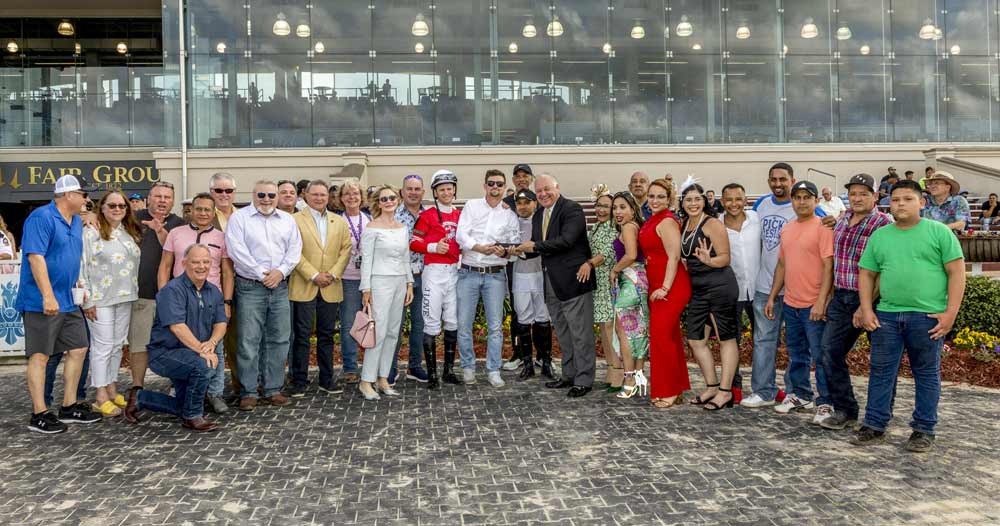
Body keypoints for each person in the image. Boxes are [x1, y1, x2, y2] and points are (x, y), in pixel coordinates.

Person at [853, 179, 966, 452]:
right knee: (881, 372)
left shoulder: (939, 233)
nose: (900, 204)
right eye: (895, 200)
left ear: (921, 203)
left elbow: (956, 273)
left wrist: (950, 314)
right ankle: (875, 423)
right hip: (888, 316)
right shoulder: (881, 235)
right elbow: (867, 274)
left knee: (926, 374)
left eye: (907, 199)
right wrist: (867, 309)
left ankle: (923, 429)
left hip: (927, 317)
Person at [19, 174, 103, 434]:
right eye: (83, 194)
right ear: (68, 195)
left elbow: (70, 257)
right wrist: (47, 295)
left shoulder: (76, 221)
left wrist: (77, 283)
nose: (86, 199)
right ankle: (39, 413)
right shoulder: (41, 218)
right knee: (40, 356)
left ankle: (68, 407)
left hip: (68, 299)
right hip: (40, 300)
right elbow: (35, 258)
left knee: (79, 348)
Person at [744, 163, 826, 408]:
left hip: (799, 291)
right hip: (766, 285)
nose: (777, 183)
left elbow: (826, 249)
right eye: (773, 179)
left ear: (792, 179)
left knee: (802, 346)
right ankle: (764, 391)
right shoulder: (761, 205)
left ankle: (800, 392)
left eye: (783, 179)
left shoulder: (816, 215)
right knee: (764, 340)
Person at [123, 244, 227, 432]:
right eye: (196, 262)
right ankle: (193, 417)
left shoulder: (213, 291)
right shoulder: (172, 290)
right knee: (205, 365)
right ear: (184, 263)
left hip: (191, 354)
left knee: (182, 405)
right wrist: (202, 350)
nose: (201, 266)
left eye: (206, 262)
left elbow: (221, 323)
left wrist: (211, 343)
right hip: (165, 354)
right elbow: (177, 327)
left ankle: (141, 398)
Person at [817, 174, 893, 431]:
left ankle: (879, 416)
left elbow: (883, 269)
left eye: (863, 193)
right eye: (853, 193)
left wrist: (866, 305)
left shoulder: (884, 224)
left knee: (882, 361)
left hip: (874, 299)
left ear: (875, 196)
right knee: (829, 351)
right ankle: (846, 410)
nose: (857, 198)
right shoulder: (842, 219)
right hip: (842, 297)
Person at [517, 174, 596, 398]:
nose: (543, 194)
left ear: (557, 188)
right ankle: (568, 374)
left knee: (580, 333)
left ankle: (584, 379)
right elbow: (536, 247)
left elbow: (567, 240)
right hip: (550, 281)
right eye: (539, 190)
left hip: (574, 280)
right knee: (562, 331)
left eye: (547, 189)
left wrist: (534, 246)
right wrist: (515, 250)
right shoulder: (539, 214)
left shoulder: (572, 209)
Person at [226, 180, 302, 411]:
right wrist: (261, 274)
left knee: (279, 339)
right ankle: (249, 391)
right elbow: (236, 250)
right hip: (250, 286)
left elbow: (294, 249)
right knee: (249, 340)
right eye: (261, 194)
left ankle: (272, 389)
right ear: (253, 194)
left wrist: (279, 272)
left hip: (279, 286)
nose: (266, 199)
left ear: (277, 196)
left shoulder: (287, 220)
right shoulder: (239, 218)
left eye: (271, 195)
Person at [158, 193, 234, 414]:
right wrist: (164, 297)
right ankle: (183, 388)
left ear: (213, 213)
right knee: (183, 345)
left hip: (213, 299)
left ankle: (215, 392)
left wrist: (227, 301)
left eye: (207, 210)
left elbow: (227, 272)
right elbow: (165, 266)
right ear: (191, 210)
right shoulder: (176, 233)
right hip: (181, 299)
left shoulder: (222, 237)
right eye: (198, 209)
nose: (202, 213)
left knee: (215, 346)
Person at [764, 180, 834, 420]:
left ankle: (826, 402)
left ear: (816, 201)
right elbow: (782, 264)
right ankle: (802, 394)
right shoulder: (788, 228)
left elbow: (828, 267)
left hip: (813, 305)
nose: (802, 202)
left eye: (807, 197)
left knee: (821, 356)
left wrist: (821, 301)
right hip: (791, 303)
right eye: (797, 197)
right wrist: (773, 296)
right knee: (797, 354)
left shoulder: (823, 227)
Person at [677, 183, 741, 411]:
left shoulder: (712, 224)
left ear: (704, 201)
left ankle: (725, 392)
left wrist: (708, 260)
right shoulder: (684, 224)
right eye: (688, 200)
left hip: (719, 286)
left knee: (726, 338)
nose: (693, 204)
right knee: (696, 340)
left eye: (697, 199)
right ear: (682, 203)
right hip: (698, 290)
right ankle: (712, 386)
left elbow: (725, 258)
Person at [79, 191, 142, 417]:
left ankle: (112, 387)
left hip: (125, 297)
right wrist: (87, 300)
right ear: (102, 208)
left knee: (117, 345)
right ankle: (100, 395)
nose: (117, 209)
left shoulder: (128, 232)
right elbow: (81, 265)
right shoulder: (91, 231)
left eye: (122, 206)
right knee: (102, 347)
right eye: (112, 205)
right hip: (100, 299)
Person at [456, 169, 520, 387]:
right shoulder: (471, 206)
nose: (495, 187)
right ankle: (467, 367)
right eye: (491, 183)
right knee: (464, 324)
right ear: (485, 186)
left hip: (495, 276)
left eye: (499, 184)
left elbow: (515, 241)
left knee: (494, 326)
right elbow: (461, 235)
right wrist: (479, 247)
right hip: (468, 272)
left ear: (504, 187)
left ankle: (493, 369)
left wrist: (505, 251)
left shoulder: (509, 214)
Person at [288, 180, 352, 397]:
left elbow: (346, 249)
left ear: (329, 197)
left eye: (323, 195)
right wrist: (314, 275)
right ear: (305, 196)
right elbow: (293, 251)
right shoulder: (294, 220)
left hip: (331, 285)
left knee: (326, 335)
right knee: (302, 335)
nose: (319, 198)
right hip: (304, 283)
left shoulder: (339, 221)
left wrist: (332, 274)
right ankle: (299, 381)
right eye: (314, 194)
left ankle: (327, 379)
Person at [638, 178, 692, 407]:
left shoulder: (667, 221)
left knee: (661, 338)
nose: (655, 200)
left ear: (669, 199)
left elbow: (674, 256)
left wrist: (665, 288)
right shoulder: (652, 219)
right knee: (669, 338)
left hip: (671, 286)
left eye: (661, 196)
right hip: (656, 285)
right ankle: (677, 387)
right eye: (652, 196)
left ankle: (669, 390)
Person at [358, 185, 414, 400]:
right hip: (379, 282)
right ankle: (366, 381)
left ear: (397, 200)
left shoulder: (402, 227)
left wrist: (409, 283)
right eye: (384, 199)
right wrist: (366, 288)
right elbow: (367, 260)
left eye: (392, 197)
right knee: (378, 332)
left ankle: (383, 378)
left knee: (392, 332)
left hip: (400, 281)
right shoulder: (372, 228)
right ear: (378, 203)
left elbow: (405, 258)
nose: (389, 201)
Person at [130, 181, 185, 391]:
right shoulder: (132, 218)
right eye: (158, 196)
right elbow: (105, 219)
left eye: (167, 197)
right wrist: (88, 216)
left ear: (172, 201)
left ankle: (175, 386)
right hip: (141, 296)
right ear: (148, 198)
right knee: (139, 345)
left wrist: (160, 230)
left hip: (171, 298)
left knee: (173, 343)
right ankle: (137, 389)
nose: (162, 200)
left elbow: (177, 252)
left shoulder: (179, 224)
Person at [410, 170, 463, 388]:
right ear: (435, 192)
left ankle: (448, 371)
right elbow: (413, 242)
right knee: (431, 323)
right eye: (442, 189)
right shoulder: (428, 215)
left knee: (452, 321)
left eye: (449, 188)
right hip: (434, 273)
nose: (446, 192)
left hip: (455, 272)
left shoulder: (460, 215)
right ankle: (432, 375)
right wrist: (433, 247)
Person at [608, 191, 652, 401]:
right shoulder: (635, 226)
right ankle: (639, 375)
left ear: (633, 209)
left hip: (630, 280)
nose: (617, 211)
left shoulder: (627, 227)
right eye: (615, 207)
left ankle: (629, 379)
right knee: (638, 330)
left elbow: (631, 255)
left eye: (622, 207)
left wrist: (615, 270)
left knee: (624, 331)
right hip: (639, 280)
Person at [581, 187, 624, 392]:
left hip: (609, 281)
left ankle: (618, 371)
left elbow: (606, 253)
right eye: (599, 205)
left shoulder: (614, 228)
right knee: (603, 328)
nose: (601, 210)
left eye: (606, 206)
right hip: (595, 283)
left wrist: (589, 264)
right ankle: (609, 368)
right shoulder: (596, 227)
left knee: (610, 327)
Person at [509, 189, 553, 380]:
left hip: (540, 274)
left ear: (535, 203)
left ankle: (546, 361)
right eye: (519, 203)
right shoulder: (511, 222)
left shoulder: (543, 221)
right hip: (520, 275)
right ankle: (527, 364)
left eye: (527, 202)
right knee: (523, 319)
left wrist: (523, 250)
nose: (523, 206)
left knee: (543, 318)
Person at [390, 174, 429, 385]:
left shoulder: (430, 215)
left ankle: (415, 366)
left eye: (417, 189)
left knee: (419, 324)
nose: (413, 192)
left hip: (424, 276)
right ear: (402, 192)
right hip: (398, 277)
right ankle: (390, 368)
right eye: (409, 189)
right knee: (395, 324)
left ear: (423, 192)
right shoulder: (393, 215)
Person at [208, 172, 240, 394]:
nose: (224, 194)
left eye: (228, 190)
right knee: (211, 338)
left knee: (240, 338)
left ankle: (241, 385)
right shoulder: (204, 215)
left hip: (245, 284)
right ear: (212, 192)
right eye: (219, 190)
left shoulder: (245, 216)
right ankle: (209, 388)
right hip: (213, 286)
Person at [501, 162, 535, 373]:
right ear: (513, 180)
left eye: (525, 175)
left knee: (541, 312)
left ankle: (540, 355)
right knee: (517, 310)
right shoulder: (505, 203)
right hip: (515, 264)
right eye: (518, 176)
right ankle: (518, 353)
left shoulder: (539, 199)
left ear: (531, 178)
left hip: (539, 264)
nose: (521, 179)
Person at [336, 180, 370, 386]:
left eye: (355, 193)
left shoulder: (370, 220)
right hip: (347, 279)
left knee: (371, 323)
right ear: (341, 198)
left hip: (369, 280)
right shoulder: (337, 221)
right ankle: (350, 367)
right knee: (349, 324)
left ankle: (371, 365)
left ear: (361, 196)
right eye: (347, 194)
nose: (352, 197)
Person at [721, 183, 759, 348]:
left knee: (762, 338)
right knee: (732, 339)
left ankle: (761, 374)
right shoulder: (715, 224)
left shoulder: (756, 219)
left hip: (758, 289)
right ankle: (734, 375)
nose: (734, 203)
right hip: (731, 291)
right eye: (729, 200)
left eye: (738, 199)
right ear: (722, 201)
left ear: (745, 201)